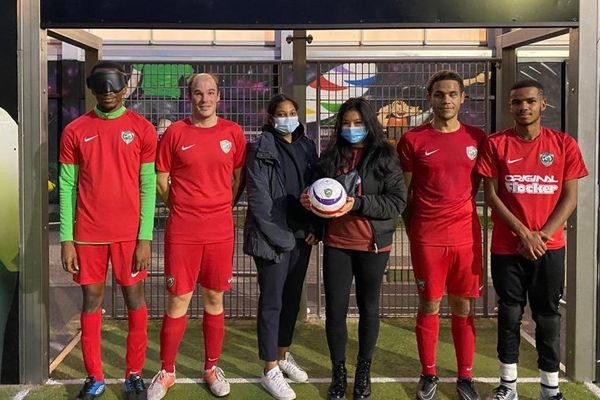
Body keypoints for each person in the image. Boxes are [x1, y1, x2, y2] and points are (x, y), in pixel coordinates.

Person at [476, 80, 588, 400]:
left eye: (529, 101)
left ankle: (549, 388)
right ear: (510, 107)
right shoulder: (496, 144)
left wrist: (543, 235)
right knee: (509, 313)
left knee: (547, 316)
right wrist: (523, 234)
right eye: (516, 102)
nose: (522, 107)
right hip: (507, 246)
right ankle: (507, 385)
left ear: (543, 104)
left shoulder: (564, 144)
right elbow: (492, 195)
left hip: (549, 247)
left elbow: (570, 198)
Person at [59, 61, 157, 400]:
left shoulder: (142, 129)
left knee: (134, 299)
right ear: (92, 88)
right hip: (87, 234)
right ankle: (95, 377)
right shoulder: (75, 130)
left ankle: (133, 374)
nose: (109, 92)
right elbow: (68, 185)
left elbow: (147, 184)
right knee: (91, 300)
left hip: (130, 236)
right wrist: (66, 238)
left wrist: (145, 237)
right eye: (101, 87)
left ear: (125, 86)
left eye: (114, 86)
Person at [148, 73, 246, 399]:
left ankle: (211, 367)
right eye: (198, 93)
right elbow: (162, 179)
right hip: (183, 230)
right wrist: (183, 206)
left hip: (220, 230)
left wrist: (217, 206)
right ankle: (167, 371)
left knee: (214, 299)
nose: (204, 98)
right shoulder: (175, 133)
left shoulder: (233, 133)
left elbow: (236, 179)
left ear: (219, 97)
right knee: (178, 299)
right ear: (189, 97)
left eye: (210, 92)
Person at [301, 97, 406, 400]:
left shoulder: (385, 156)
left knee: (368, 308)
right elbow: (315, 196)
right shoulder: (330, 157)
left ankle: (363, 372)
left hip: (372, 246)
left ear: (369, 123)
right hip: (337, 244)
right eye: (346, 123)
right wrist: (312, 209)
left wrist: (356, 203)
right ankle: (338, 373)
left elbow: (397, 202)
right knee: (334, 310)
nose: (351, 128)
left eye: (358, 123)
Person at [397, 70, 486, 400]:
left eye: (452, 94)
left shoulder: (478, 138)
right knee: (430, 304)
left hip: (466, 237)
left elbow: (477, 187)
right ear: (429, 98)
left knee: (463, 307)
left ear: (463, 98)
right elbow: (405, 194)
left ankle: (465, 376)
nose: (446, 100)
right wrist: (416, 229)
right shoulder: (413, 139)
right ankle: (429, 373)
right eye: (439, 94)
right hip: (427, 238)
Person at [243, 94, 320, 400]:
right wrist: (280, 236)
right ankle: (269, 368)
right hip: (272, 239)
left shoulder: (307, 146)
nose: (287, 118)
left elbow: (318, 188)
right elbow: (259, 199)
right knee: (272, 303)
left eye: (292, 112)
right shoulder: (260, 147)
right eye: (281, 113)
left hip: (303, 236)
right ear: (271, 118)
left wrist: (316, 226)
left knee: (291, 301)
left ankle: (283, 354)